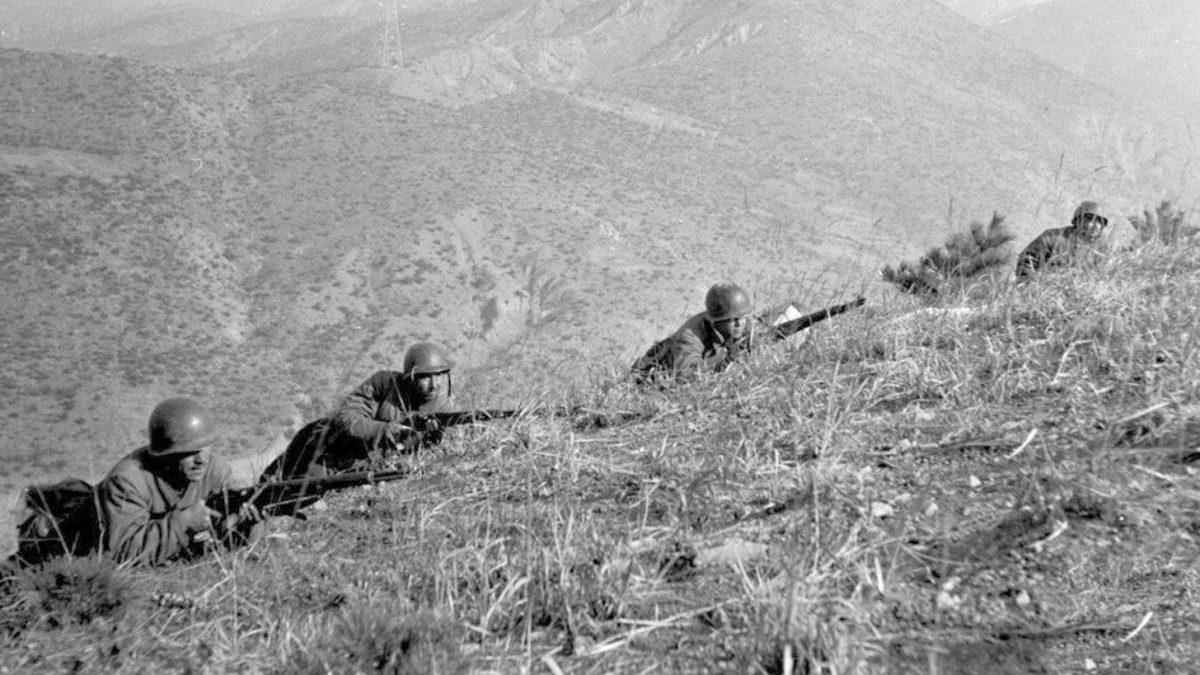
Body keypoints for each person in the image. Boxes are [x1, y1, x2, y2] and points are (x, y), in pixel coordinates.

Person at [96, 397, 263, 566]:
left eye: (205, 448)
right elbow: (122, 552)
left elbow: (228, 540)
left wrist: (244, 526)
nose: (201, 460)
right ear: (165, 454)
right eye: (190, 452)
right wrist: (184, 522)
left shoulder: (214, 470)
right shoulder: (128, 482)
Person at [265, 342, 459, 479]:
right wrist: (388, 431)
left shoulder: (444, 407)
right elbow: (347, 419)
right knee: (283, 485)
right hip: (325, 447)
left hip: (365, 467)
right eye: (426, 377)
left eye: (440, 375)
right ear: (411, 376)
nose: (435, 385)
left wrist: (431, 437)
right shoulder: (385, 383)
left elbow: (435, 452)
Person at [631, 283, 756, 383]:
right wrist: (723, 360)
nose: (740, 324)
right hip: (649, 380)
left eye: (742, 317)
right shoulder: (689, 338)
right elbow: (684, 375)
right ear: (717, 321)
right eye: (733, 320)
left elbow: (758, 328)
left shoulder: (740, 324)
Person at [1015, 200, 1110, 278]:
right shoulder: (1052, 237)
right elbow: (1026, 262)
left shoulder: (1101, 250)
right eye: (1091, 220)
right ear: (1078, 220)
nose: (1096, 226)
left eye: (1100, 222)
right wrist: (1033, 283)